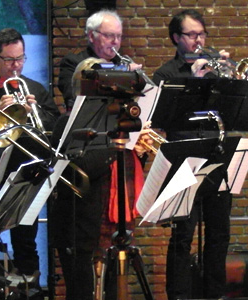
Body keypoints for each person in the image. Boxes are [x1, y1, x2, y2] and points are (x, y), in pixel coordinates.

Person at [48, 56, 149, 300]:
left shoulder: (120, 124)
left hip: (115, 222)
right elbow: (76, 170)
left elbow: (124, 169)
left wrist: (138, 151)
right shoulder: (66, 124)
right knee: (82, 291)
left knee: (115, 288)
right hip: (81, 226)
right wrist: (117, 148)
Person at [0, 27, 60, 283]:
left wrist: (33, 111)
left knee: (26, 241)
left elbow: (54, 132)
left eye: (20, 58)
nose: (16, 66)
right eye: (9, 60)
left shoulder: (36, 91)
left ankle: (30, 287)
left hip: (26, 177)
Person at [151, 9, 233, 299]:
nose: (198, 39)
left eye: (202, 33)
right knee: (183, 236)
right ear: (176, 38)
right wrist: (195, 82)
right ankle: (179, 295)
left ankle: (215, 294)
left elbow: (236, 111)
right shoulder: (165, 74)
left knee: (219, 234)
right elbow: (161, 120)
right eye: (191, 34)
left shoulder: (216, 69)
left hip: (217, 156)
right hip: (182, 161)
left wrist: (228, 78)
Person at [56, 9, 141, 112]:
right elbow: (73, 96)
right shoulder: (72, 62)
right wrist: (122, 70)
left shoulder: (123, 62)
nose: (116, 41)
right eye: (109, 35)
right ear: (92, 36)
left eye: (119, 36)